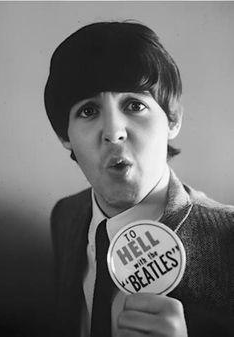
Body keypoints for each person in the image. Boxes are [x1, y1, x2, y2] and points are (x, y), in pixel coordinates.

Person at [44, 21, 234, 337]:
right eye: (89, 111)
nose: (113, 132)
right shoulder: (65, 216)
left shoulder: (229, 240)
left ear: (172, 120)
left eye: (134, 105)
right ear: (66, 137)